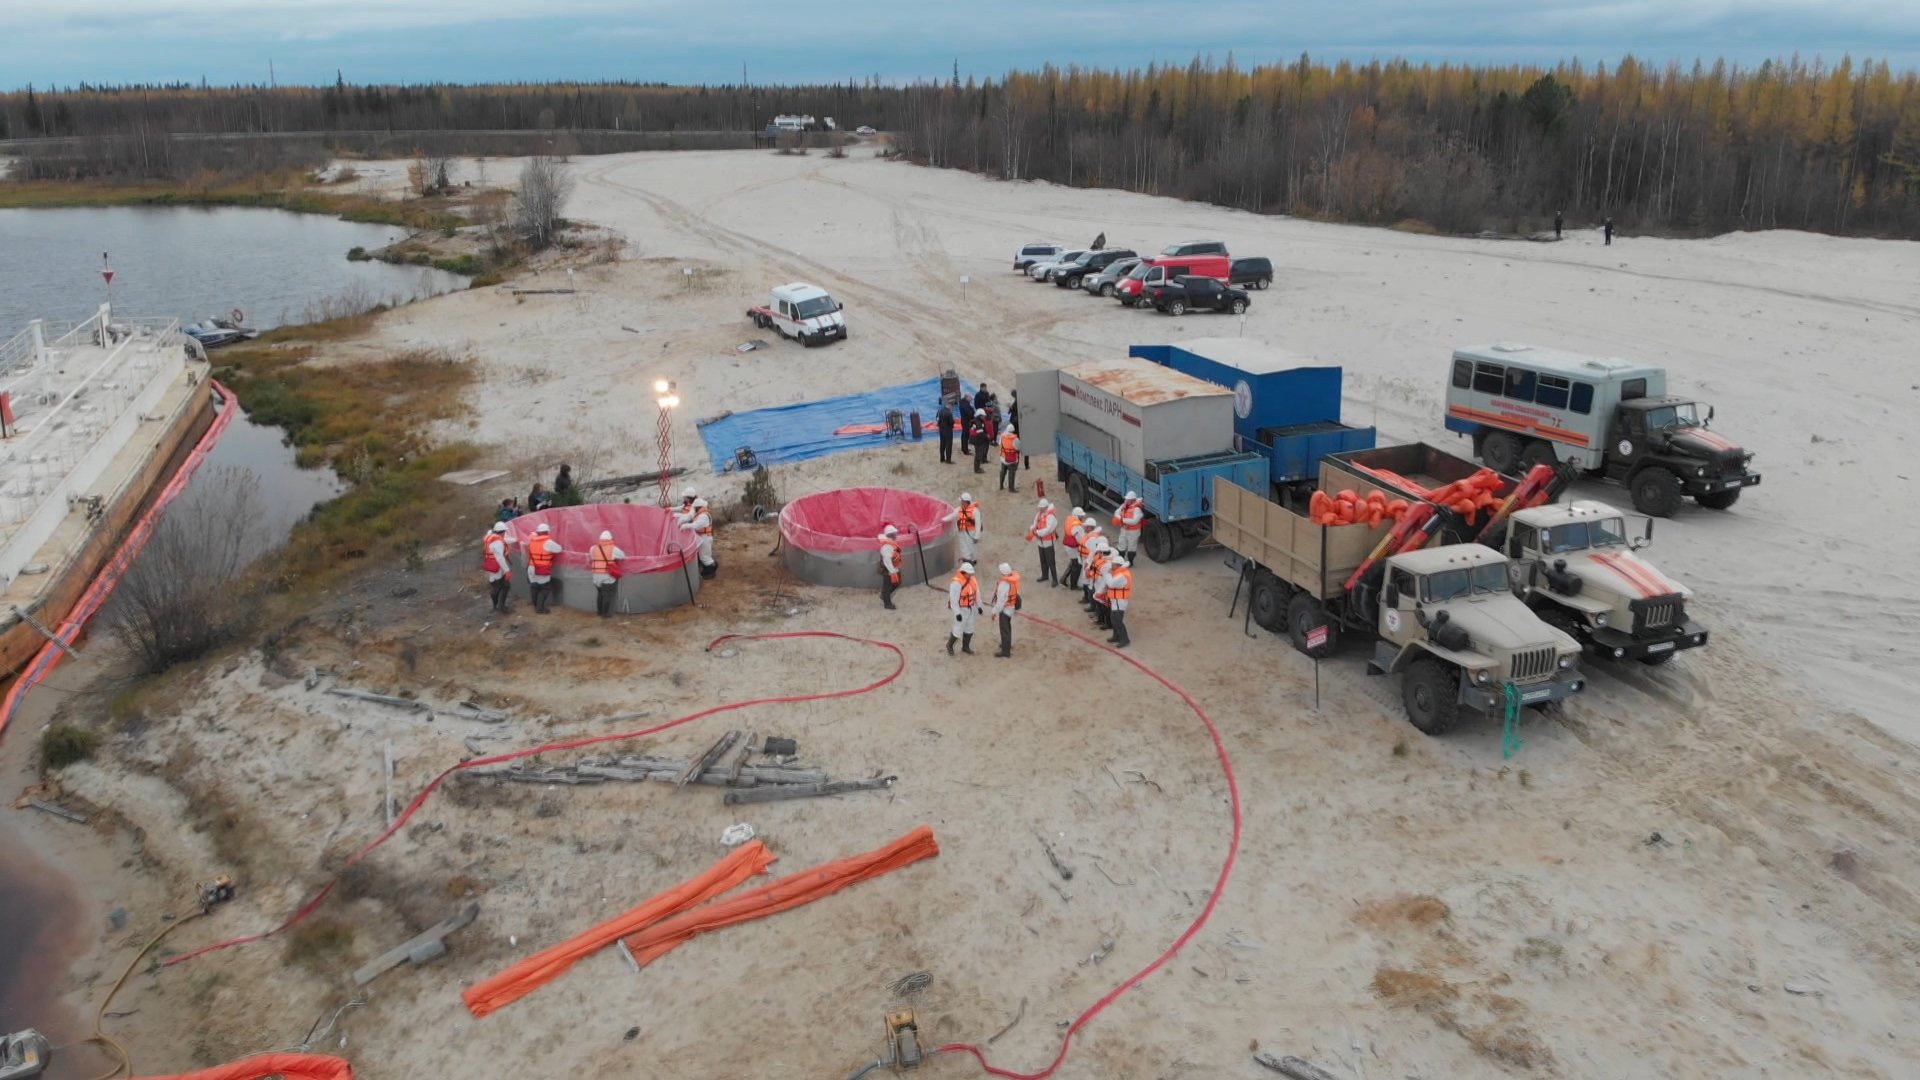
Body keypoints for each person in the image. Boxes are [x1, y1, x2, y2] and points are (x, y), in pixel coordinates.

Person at [525, 522, 562, 614]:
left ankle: (535, 605)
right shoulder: (548, 542)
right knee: (544, 588)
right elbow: (559, 549)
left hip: (531, 567)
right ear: (547, 532)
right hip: (541, 569)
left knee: (534, 586)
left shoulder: (532, 540)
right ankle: (540, 608)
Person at [988, 562, 1022, 658]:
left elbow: (1000, 603)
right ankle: (1007, 645)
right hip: (1011, 608)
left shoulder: (1004, 584)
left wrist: (994, 612)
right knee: (1008, 628)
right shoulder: (1013, 582)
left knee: (1004, 630)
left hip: (1005, 610)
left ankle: (1005, 651)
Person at [589, 529, 625, 617]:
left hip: (596, 576)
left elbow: (592, 557)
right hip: (607, 576)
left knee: (600, 594)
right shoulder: (613, 549)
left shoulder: (593, 548)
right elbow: (623, 555)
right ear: (610, 539)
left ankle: (600, 612)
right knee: (607, 595)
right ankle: (606, 615)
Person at [947, 561, 980, 656]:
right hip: (962, 609)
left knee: (970, 628)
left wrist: (979, 605)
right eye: (968, 573)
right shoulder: (956, 583)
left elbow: (977, 593)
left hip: (971, 607)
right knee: (958, 629)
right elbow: (954, 599)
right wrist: (957, 613)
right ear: (964, 572)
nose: (970, 575)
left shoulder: (972, 580)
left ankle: (965, 647)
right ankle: (949, 645)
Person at [481, 521, 513, 613]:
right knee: (503, 586)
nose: (505, 534)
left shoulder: (490, 537)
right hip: (497, 567)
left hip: (490, 564)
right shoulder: (497, 542)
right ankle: (501, 607)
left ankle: (495, 606)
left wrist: (515, 539)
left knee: (496, 585)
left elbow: (505, 540)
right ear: (502, 532)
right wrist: (507, 570)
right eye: (505, 532)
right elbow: (500, 558)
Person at [681, 497, 716, 578]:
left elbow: (696, 525)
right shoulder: (702, 514)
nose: (694, 509)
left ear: (698, 507)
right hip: (704, 537)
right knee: (704, 555)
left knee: (705, 557)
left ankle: (711, 571)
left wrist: (685, 526)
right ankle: (709, 568)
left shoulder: (703, 516)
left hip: (705, 537)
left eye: (695, 508)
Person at [1026, 499, 1058, 585]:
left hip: (1048, 542)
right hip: (1040, 542)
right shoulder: (1039, 514)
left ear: (1046, 507)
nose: (1040, 509)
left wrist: (1036, 532)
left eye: (1041, 508)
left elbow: (1048, 530)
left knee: (1051, 561)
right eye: (1040, 508)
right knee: (1043, 560)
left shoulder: (1051, 517)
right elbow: (1035, 523)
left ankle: (1055, 580)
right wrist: (1032, 528)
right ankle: (1045, 575)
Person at [1104, 556, 1133, 647]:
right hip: (1116, 600)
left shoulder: (1121, 575)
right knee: (1114, 619)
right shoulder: (1120, 572)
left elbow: (1111, 584)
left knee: (1117, 620)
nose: (1111, 566)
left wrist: (1106, 574)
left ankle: (1125, 639)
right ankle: (1116, 636)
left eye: (1113, 565)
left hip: (1119, 602)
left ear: (1117, 565)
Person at [1112, 491, 1144, 560]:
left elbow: (1134, 521)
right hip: (1124, 529)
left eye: (1128, 500)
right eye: (1126, 499)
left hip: (1133, 532)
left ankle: (1130, 561)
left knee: (1132, 547)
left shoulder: (1137, 509)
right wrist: (1118, 517)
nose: (1126, 501)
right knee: (1121, 544)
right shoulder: (1124, 505)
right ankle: (1120, 559)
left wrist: (1122, 520)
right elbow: (1116, 512)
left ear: (1133, 500)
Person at [1059, 507, 1085, 589]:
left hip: (1068, 545)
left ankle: (1063, 579)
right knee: (1076, 565)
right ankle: (1073, 585)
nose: (1082, 517)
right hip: (1072, 547)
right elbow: (1080, 539)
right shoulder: (1076, 525)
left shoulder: (1069, 520)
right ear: (1077, 516)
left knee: (1073, 563)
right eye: (1081, 516)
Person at [952, 493, 981, 564]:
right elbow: (951, 516)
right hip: (962, 531)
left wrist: (977, 536)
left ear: (965, 502)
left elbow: (978, 524)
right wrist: (942, 520)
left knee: (971, 546)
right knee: (963, 546)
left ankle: (972, 560)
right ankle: (967, 560)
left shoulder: (975, 511)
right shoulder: (959, 509)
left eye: (962, 501)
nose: (960, 502)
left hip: (971, 532)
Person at [1078, 524, 1104, 605]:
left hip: (1088, 561)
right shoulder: (1090, 536)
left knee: (1088, 581)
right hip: (1086, 560)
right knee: (1087, 580)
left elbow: (1092, 553)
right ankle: (1088, 598)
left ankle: (1088, 599)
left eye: (1086, 527)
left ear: (1091, 528)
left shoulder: (1092, 538)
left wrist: (1087, 564)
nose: (1085, 528)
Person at [878, 525, 902, 610]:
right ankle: (887, 603)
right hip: (888, 569)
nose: (896, 535)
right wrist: (892, 572)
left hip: (893, 567)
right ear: (891, 535)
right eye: (895, 533)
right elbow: (887, 560)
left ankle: (884, 595)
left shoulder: (890, 542)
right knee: (887, 585)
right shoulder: (887, 546)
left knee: (897, 582)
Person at [997, 426, 1021, 492]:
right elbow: (1018, 448)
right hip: (1012, 459)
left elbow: (999, 444)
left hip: (1003, 457)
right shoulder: (1015, 439)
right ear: (1013, 431)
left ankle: (1001, 485)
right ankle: (1011, 488)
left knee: (1002, 471)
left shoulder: (1002, 437)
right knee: (1011, 473)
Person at [936, 400, 955, 464]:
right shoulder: (949, 413)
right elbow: (952, 422)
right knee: (948, 445)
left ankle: (942, 458)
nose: (952, 408)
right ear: (950, 406)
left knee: (942, 444)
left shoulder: (940, 411)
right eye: (952, 407)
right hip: (948, 430)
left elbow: (937, 419)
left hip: (941, 429)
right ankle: (948, 460)